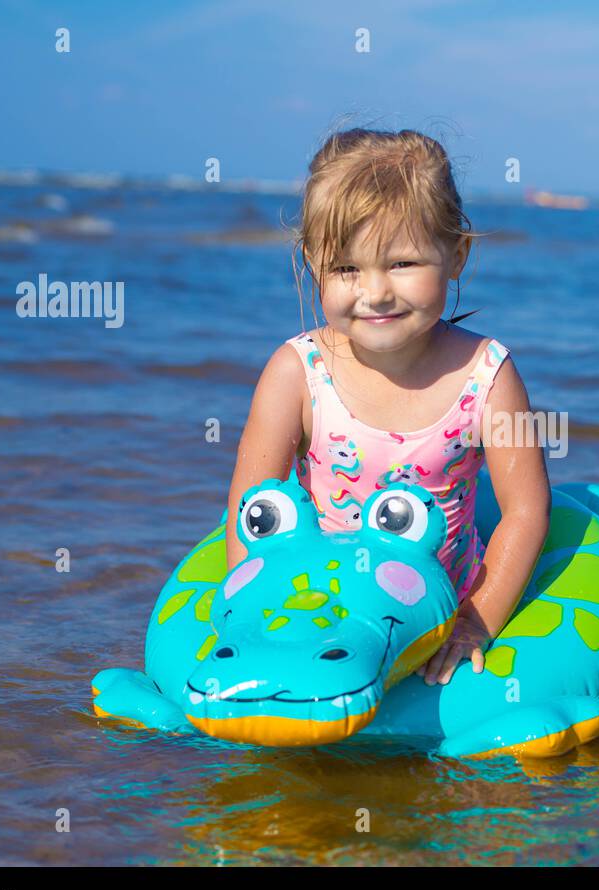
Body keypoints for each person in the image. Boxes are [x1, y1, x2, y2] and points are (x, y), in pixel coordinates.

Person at [225, 128, 551, 687]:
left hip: (433, 601)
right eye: (348, 268)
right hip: (320, 602)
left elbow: (525, 510)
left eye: (401, 263)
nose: (374, 292)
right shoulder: (296, 373)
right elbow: (253, 510)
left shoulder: (487, 375)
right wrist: (253, 620)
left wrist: (476, 621)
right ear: (313, 262)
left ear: (456, 256)